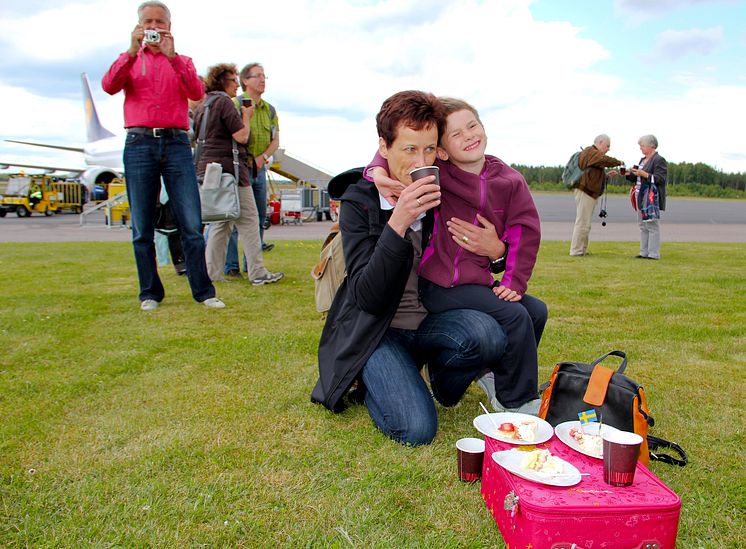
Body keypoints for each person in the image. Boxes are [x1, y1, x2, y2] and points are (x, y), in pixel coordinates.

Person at [311, 91, 508, 446]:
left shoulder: (441, 191)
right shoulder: (360, 202)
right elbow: (367, 297)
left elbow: (481, 255)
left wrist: (498, 253)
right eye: (410, 149)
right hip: (377, 331)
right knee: (416, 430)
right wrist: (398, 221)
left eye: (430, 149)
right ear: (383, 147)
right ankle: (373, 376)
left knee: (489, 333)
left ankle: (443, 385)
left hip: (429, 321)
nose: (421, 160)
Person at [365, 97, 547, 414]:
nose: (468, 136)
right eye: (456, 134)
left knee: (535, 311)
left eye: (472, 126)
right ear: (442, 150)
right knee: (515, 317)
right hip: (439, 286)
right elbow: (397, 152)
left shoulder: (510, 180)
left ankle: (495, 376)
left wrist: (514, 279)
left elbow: (525, 231)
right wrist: (376, 171)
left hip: (475, 282)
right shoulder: (440, 175)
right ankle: (516, 402)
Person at [102, 1, 223, 311]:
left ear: (169, 25)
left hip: (176, 143)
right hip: (139, 141)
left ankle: (204, 291)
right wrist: (130, 50)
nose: (153, 27)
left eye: (159, 21)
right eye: (148, 22)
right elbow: (109, 85)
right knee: (142, 225)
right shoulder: (130, 60)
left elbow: (196, 93)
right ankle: (149, 293)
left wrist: (173, 57)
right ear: (139, 25)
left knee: (191, 223)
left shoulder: (181, 60)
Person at [194, 64, 284, 286]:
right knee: (250, 219)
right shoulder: (225, 102)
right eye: (234, 80)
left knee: (221, 222)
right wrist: (246, 115)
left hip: (210, 170)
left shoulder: (204, 105)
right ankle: (257, 272)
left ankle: (212, 273)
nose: (236, 84)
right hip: (230, 171)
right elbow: (243, 136)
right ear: (224, 82)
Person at [223, 62, 280, 276]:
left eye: (265, 76)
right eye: (257, 76)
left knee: (257, 219)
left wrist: (263, 157)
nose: (263, 80)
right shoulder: (232, 105)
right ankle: (231, 267)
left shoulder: (270, 110)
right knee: (231, 218)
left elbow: (276, 139)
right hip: (237, 170)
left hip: (258, 170)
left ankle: (252, 265)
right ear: (245, 80)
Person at [569, 134, 622, 257]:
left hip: (588, 191)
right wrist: (618, 162)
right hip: (585, 192)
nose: (608, 149)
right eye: (607, 146)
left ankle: (581, 249)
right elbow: (603, 160)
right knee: (583, 221)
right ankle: (576, 250)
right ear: (600, 142)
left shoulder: (591, 155)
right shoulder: (592, 152)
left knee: (585, 221)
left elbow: (593, 174)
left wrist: (607, 176)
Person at [627, 134, 667, 260]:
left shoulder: (659, 160)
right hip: (640, 196)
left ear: (652, 146)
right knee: (642, 225)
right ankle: (644, 252)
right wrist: (630, 174)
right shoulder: (642, 160)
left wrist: (644, 174)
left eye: (642, 146)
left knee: (652, 225)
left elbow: (660, 179)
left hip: (650, 198)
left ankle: (653, 254)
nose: (641, 148)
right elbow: (637, 178)